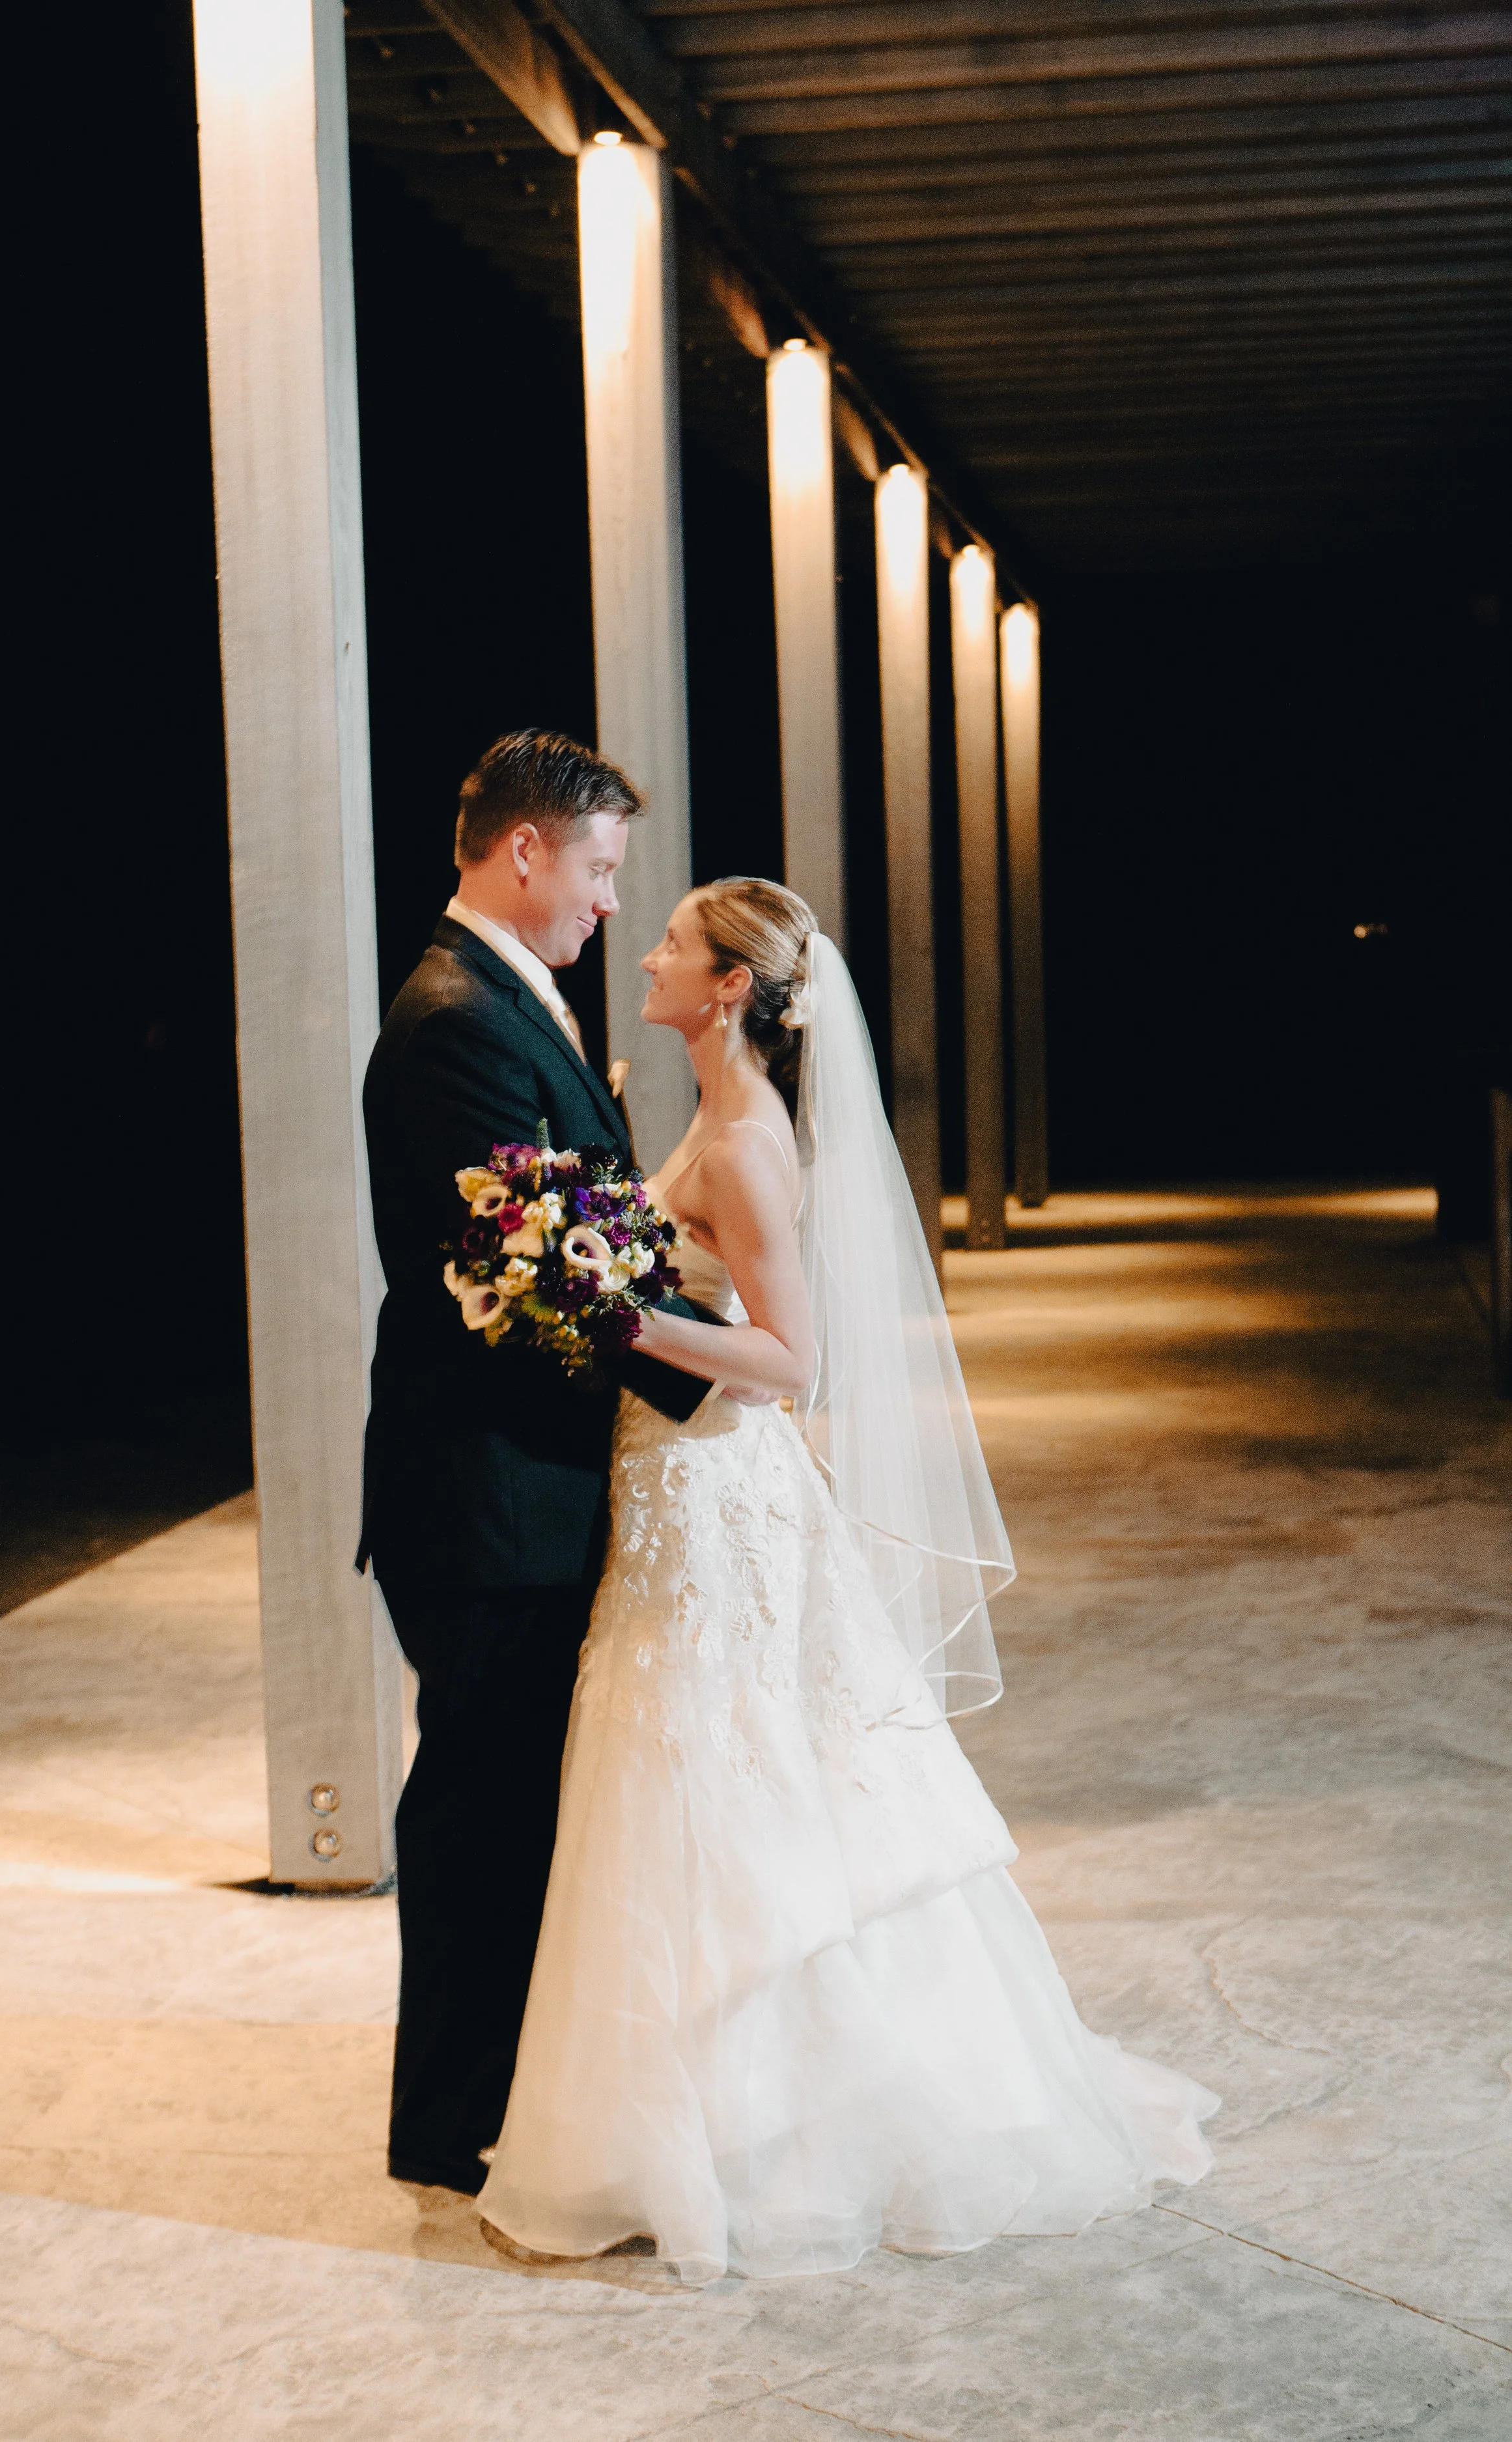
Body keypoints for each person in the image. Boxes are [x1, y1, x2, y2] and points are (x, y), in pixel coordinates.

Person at [477, 877, 1220, 2282]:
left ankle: (768, 2127)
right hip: (672, 1489)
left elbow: (789, 1363)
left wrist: (615, 1309)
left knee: (722, 1769)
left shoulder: (747, 1144)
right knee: (699, 1773)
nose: (647, 950)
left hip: (716, 1503)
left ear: (731, 990)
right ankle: (695, 2112)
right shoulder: (707, 1112)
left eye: (677, 944)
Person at [358, 730, 719, 2196]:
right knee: (479, 1817)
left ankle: (498, 2099)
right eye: (599, 867)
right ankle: (447, 2132)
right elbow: (532, 1284)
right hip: (485, 1500)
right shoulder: (457, 1021)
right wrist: (722, 1371)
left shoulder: (515, 1004)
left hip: (527, 1490)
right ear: (524, 850)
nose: (610, 904)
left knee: (517, 1811)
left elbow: (584, 1240)